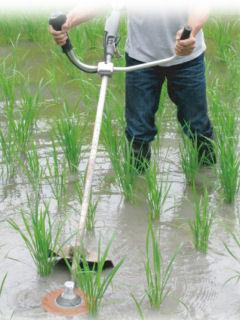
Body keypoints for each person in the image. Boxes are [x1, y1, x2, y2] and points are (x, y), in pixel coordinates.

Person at [49, 3, 216, 173]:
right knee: (138, 133)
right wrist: (67, 22)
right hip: (140, 60)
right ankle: (137, 187)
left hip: (187, 59)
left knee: (198, 126)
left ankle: (208, 178)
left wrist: (191, 31)